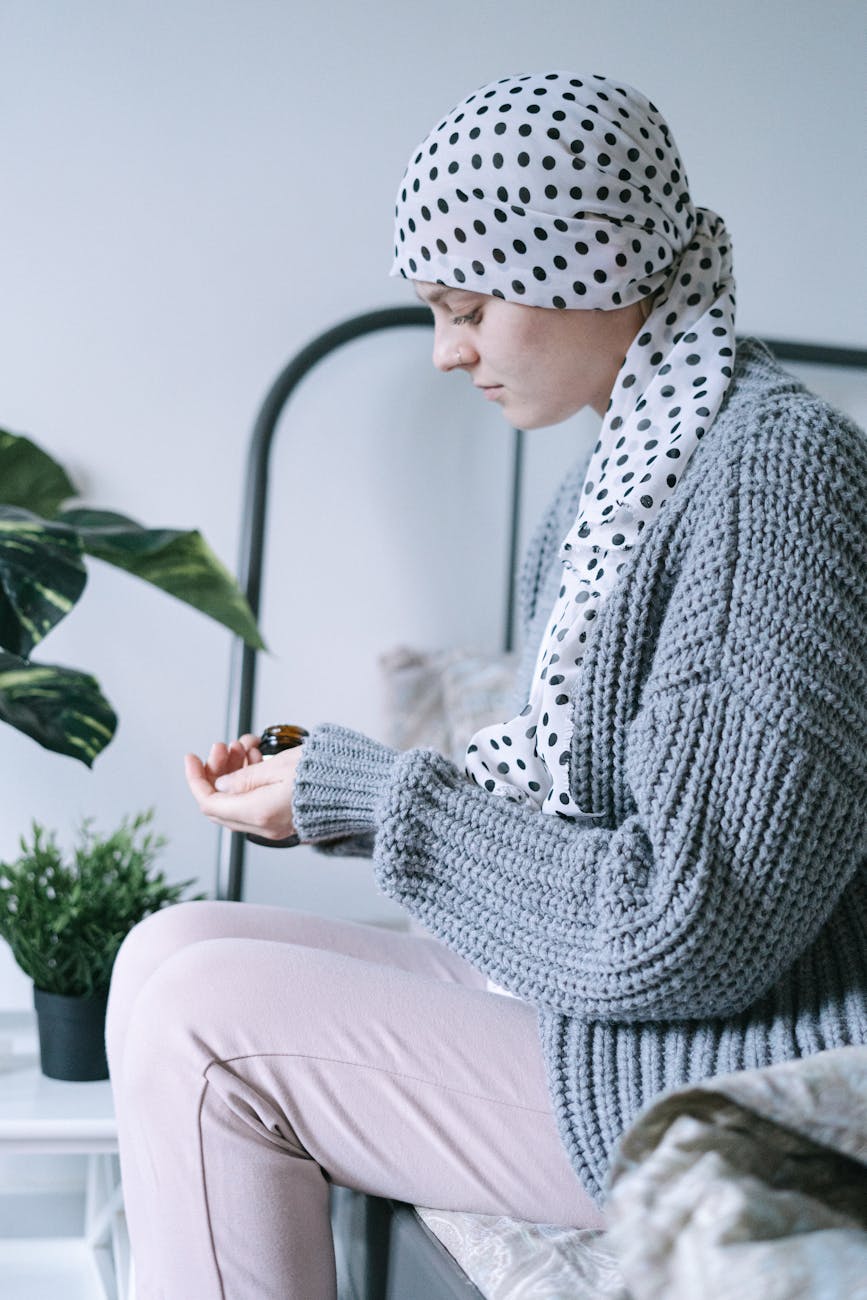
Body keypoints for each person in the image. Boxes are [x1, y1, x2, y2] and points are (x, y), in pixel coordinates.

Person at [105, 71, 867, 1299]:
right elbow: (575, 804)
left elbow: (689, 925)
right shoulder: (604, 488)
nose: (449, 352)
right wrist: (329, 780)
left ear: (596, 264)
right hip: (615, 1006)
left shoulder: (770, 472)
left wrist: (380, 796)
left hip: (723, 1057)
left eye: (468, 306)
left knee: (203, 1019)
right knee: (164, 948)